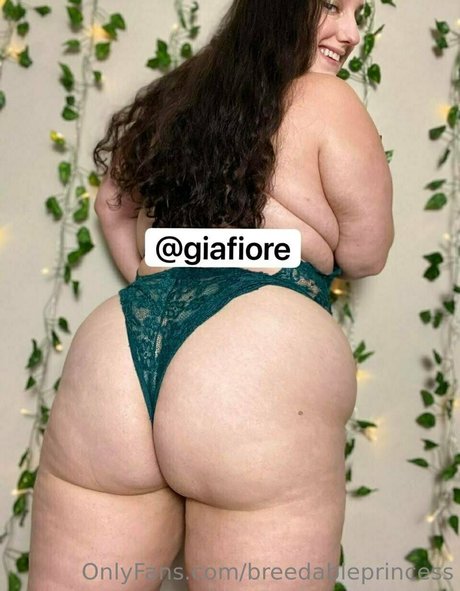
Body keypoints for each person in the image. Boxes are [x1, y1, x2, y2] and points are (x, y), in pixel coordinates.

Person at [28, 0, 394, 589]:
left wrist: (167, 264)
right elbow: (366, 253)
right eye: (332, 5)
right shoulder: (328, 98)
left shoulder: (179, 92)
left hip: (117, 352)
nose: (350, 33)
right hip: (257, 356)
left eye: (358, 13)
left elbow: (111, 206)